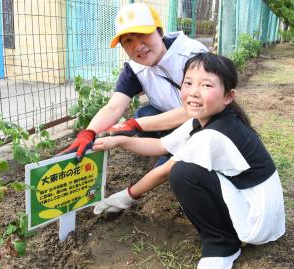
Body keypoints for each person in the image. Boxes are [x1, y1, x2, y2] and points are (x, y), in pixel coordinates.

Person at [91, 53, 285, 269]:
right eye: (188, 83)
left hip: (257, 217)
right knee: (185, 170)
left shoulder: (214, 135)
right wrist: (118, 141)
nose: (193, 92)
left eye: (206, 85)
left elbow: (164, 171)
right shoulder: (203, 120)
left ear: (228, 96)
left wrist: (127, 196)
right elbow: (160, 146)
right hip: (252, 198)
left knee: (183, 173)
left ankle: (223, 245)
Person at [61, 2, 208, 161]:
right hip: (173, 121)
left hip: (206, 121)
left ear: (159, 32)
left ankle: (178, 154)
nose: (137, 47)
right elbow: (113, 107)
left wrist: (136, 125)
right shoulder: (135, 69)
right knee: (144, 114)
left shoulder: (192, 54)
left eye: (143, 34)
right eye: (128, 41)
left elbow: (201, 108)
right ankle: (168, 150)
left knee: (178, 173)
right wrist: (88, 133)